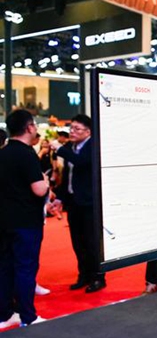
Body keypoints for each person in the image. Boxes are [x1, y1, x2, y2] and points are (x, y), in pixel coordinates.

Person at [0, 109, 50, 328]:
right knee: (25, 268)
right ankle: (27, 316)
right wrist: (46, 182)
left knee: (5, 267)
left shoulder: (3, 152)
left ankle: (5, 314)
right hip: (26, 222)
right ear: (29, 127)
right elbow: (39, 189)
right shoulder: (27, 154)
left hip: (4, 220)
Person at [53, 114, 106, 293]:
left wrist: (60, 149)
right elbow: (66, 176)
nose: (72, 132)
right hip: (74, 202)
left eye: (77, 129)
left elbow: (81, 163)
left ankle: (98, 277)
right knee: (78, 242)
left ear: (88, 131)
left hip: (90, 202)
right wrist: (60, 198)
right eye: (71, 128)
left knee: (92, 243)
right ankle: (84, 274)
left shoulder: (93, 146)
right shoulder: (70, 147)